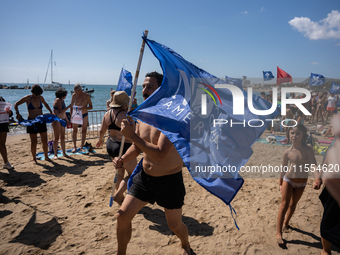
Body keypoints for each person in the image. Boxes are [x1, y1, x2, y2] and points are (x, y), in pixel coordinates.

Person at [113, 72, 191, 255]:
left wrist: (131, 135)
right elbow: (137, 147)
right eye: (143, 86)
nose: (144, 90)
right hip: (145, 178)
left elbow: (161, 154)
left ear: (161, 90)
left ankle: (186, 244)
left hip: (169, 181)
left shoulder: (171, 117)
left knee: (175, 225)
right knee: (122, 216)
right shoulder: (143, 114)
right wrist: (123, 159)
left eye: (149, 86)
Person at [276, 124, 322, 245]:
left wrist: (317, 178)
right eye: (292, 133)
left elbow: (313, 165)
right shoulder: (287, 152)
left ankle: (286, 223)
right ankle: (278, 233)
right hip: (288, 180)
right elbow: (283, 169)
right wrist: (280, 183)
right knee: (284, 205)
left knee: (293, 204)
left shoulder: (308, 150)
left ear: (303, 135)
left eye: (297, 133)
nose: (294, 136)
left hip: (301, 183)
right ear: (289, 134)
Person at [96, 91, 137, 204]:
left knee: (119, 173)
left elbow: (102, 130)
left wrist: (100, 140)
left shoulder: (107, 113)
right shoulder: (126, 116)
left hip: (111, 144)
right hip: (124, 146)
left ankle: (120, 195)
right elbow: (133, 133)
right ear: (125, 103)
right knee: (134, 174)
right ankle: (119, 195)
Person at [14, 84, 53, 163]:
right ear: (33, 92)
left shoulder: (40, 97)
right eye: (36, 94)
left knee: (44, 140)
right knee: (34, 141)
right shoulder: (28, 98)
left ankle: (46, 156)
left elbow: (45, 104)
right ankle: (34, 159)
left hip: (41, 121)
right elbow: (16, 104)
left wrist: (50, 111)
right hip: (31, 121)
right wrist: (18, 113)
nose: (37, 96)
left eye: (39, 94)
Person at [70, 83, 93, 152]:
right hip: (76, 115)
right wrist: (71, 116)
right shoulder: (74, 96)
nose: (75, 93)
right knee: (74, 130)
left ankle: (82, 146)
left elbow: (91, 106)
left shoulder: (86, 95)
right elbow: (71, 106)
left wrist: (85, 107)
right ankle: (74, 147)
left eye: (76, 91)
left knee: (84, 130)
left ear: (80, 90)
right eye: (74, 91)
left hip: (84, 114)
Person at [52, 88, 71, 159]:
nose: (66, 96)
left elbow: (64, 112)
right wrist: (69, 106)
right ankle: (55, 154)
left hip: (63, 119)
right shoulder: (58, 100)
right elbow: (60, 111)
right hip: (57, 120)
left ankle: (64, 153)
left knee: (62, 137)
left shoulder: (62, 101)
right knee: (56, 137)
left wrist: (67, 119)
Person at [0, 96, 14, 170]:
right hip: (3, 124)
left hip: (3, 124)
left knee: (2, 144)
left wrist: (10, 112)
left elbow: (10, 113)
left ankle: (6, 162)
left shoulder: (2, 99)